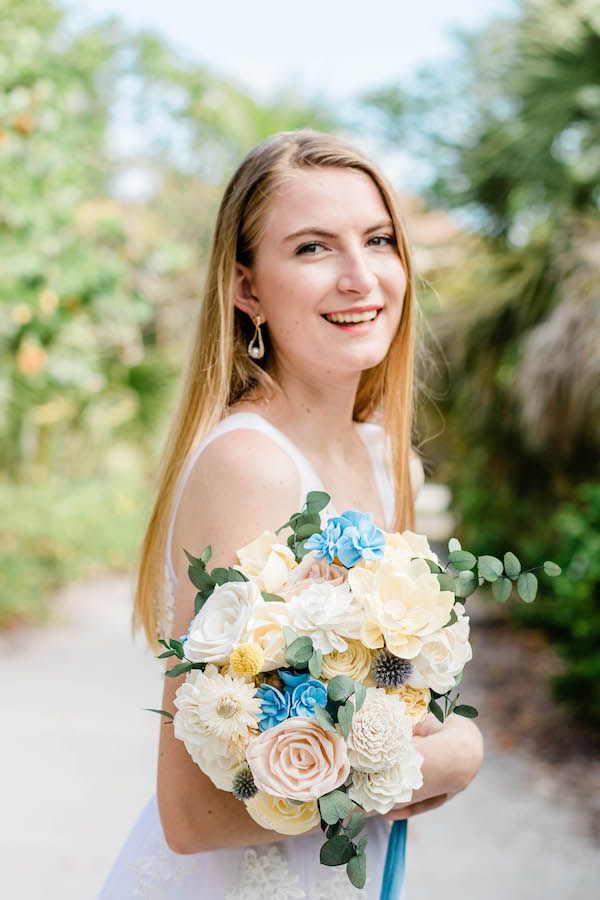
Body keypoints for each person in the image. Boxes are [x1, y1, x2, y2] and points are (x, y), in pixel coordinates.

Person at [96, 129, 484, 899]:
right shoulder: (250, 464)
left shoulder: (384, 456)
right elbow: (193, 812)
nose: (360, 276)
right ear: (246, 288)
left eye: (378, 240)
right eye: (312, 249)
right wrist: (442, 759)